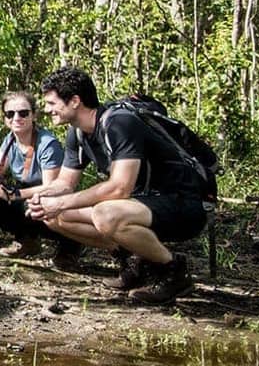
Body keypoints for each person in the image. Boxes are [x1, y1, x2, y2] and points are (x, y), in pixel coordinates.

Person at [27, 66, 208, 304]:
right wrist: (44, 199)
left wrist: (60, 202)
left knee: (107, 214)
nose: (47, 110)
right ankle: (135, 263)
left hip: (183, 204)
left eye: (52, 103)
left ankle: (172, 272)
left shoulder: (119, 123)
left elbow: (119, 188)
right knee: (54, 216)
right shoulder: (78, 133)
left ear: (74, 101)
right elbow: (65, 183)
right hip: (143, 204)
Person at [0, 92, 81, 266]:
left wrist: (12, 194)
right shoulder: (10, 140)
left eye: (23, 113)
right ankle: (26, 240)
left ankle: (70, 246)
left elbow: (52, 187)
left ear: (33, 115)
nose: (17, 118)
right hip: (23, 195)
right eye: (10, 114)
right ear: (5, 118)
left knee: (29, 204)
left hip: (51, 199)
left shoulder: (47, 144)